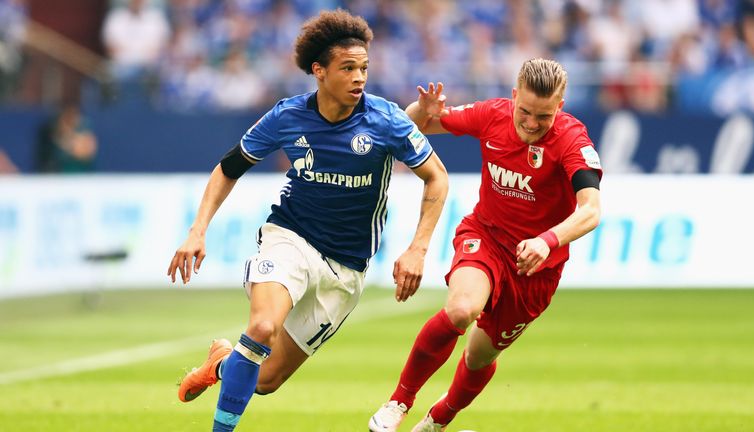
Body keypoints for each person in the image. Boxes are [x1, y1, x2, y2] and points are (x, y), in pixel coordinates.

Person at [167, 9, 448, 432]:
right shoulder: (287, 116)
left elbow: (437, 179)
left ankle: (220, 365)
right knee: (262, 327)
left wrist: (417, 248)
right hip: (291, 237)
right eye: (348, 68)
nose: (359, 78)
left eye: (364, 68)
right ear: (318, 71)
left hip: (346, 267)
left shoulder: (386, 119)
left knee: (265, 380)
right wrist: (197, 230)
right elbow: (229, 167)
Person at [369, 58, 602, 432]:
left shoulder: (573, 141)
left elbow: (591, 210)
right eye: (524, 111)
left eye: (543, 116)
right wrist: (419, 110)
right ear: (513, 98)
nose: (530, 123)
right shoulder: (491, 115)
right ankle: (400, 400)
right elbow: (414, 126)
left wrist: (547, 241)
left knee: (479, 357)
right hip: (486, 237)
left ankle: (437, 420)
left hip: (535, 268)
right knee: (462, 309)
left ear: (559, 107)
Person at [35, 104, 98, 173]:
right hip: (61, 175)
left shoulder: (85, 129)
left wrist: (72, 144)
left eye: (73, 115)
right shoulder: (55, 132)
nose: (71, 119)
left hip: (83, 175)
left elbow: (87, 152)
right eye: (68, 116)